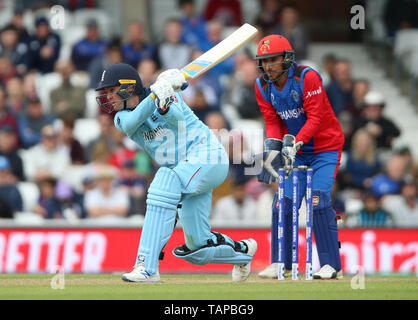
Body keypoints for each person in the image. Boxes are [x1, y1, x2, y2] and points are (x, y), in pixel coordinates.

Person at [94, 63, 257, 282]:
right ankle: (242, 252)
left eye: (112, 91)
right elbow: (134, 120)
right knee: (198, 248)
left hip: (208, 157)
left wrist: (166, 101)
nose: (109, 97)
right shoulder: (121, 118)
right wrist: (155, 96)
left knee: (163, 179)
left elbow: (178, 121)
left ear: (127, 87)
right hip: (186, 171)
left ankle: (147, 267)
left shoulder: (167, 92)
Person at [253, 35, 344, 279]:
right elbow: (272, 121)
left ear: (287, 58)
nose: (269, 66)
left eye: (273, 59)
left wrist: (295, 143)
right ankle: (281, 263)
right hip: (297, 151)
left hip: (325, 148)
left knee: (318, 200)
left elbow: (316, 117)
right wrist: (272, 150)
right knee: (283, 202)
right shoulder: (262, 86)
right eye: (264, 61)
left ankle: (331, 265)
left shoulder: (307, 77)